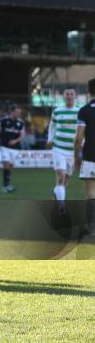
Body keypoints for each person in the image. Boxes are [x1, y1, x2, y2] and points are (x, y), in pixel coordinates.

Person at [46, 89, 80, 203]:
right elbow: (52, 126)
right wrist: (50, 139)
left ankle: (56, 193)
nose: (69, 96)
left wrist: (83, 142)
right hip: (58, 148)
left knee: (64, 181)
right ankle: (61, 207)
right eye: (67, 94)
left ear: (75, 97)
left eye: (71, 94)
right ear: (63, 96)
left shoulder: (80, 112)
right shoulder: (57, 111)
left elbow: (84, 130)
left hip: (72, 151)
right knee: (60, 177)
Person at [74, 79, 95, 237]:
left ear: (89, 91)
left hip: (90, 157)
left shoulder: (84, 110)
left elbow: (78, 137)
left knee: (91, 193)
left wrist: (76, 157)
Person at [0, 105, 25, 193]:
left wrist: (15, 141)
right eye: (17, 112)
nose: (19, 114)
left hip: (15, 148)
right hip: (4, 146)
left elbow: (22, 135)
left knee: (10, 166)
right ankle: (5, 186)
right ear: (12, 112)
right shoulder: (3, 121)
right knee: (6, 164)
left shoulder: (20, 123)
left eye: (19, 113)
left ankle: (7, 185)